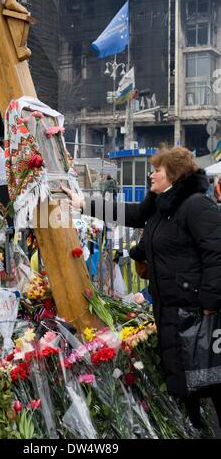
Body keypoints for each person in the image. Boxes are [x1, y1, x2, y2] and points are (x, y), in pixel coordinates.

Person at [61, 146, 221, 430]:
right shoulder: (162, 207)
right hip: (171, 310)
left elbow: (217, 253)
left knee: (211, 379)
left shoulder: (195, 205)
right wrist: (83, 202)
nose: (151, 174)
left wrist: (210, 299)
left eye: (157, 170)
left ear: (173, 175)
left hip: (196, 312)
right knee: (188, 386)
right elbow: (132, 214)